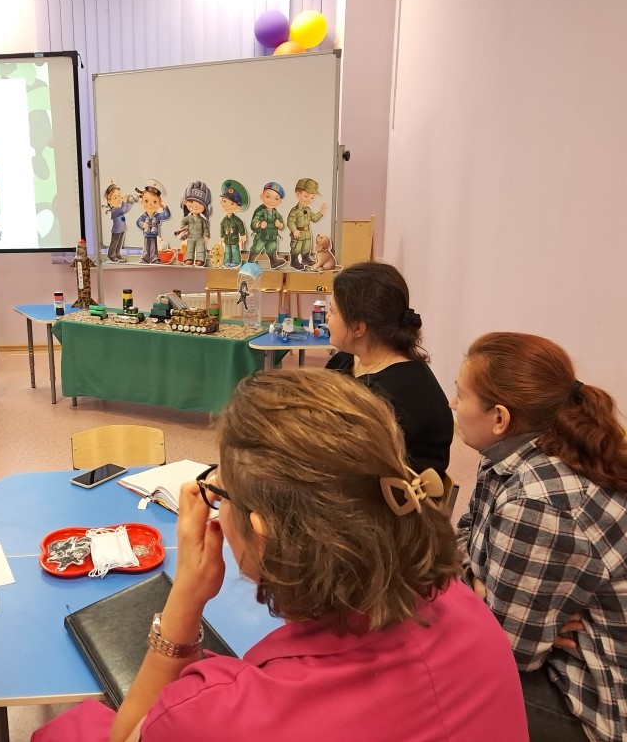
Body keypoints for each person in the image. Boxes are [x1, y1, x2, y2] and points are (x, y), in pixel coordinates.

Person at [33, 368, 528, 742]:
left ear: (262, 532)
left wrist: (184, 598)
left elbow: (138, 731)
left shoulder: (218, 713)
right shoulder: (468, 610)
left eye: (220, 489)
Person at [451, 332, 627, 742]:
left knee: (445, 678)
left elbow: (511, 652)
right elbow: (465, 535)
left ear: (500, 418)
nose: (453, 404)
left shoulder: (538, 502)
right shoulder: (513, 457)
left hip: (608, 708)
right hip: (576, 658)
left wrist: (484, 597)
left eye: (460, 394)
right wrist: (483, 589)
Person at [324, 261, 452, 474]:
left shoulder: (397, 393)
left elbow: (344, 459)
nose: (327, 317)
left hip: (389, 489)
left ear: (358, 328)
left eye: (332, 311)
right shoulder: (345, 360)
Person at [286, 177, 327, 270]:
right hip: (298, 234)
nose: (309, 200)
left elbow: (314, 218)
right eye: (306, 196)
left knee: (306, 247)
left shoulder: (308, 209)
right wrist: (294, 230)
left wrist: (321, 213)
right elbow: (290, 222)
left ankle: (306, 259)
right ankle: (294, 261)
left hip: (307, 233)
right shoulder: (295, 211)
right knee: (296, 248)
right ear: (298, 194)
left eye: (312, 197)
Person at [247, 181, 286, 269]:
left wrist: (280, 225)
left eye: (276, 199)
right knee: (257, 248)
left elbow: (283, 225)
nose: (271, 201)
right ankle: (250, 262)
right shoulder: (261, 211)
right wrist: (259, 224)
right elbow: (254, 221)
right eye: (268, 197)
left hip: (272, 237)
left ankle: (274, 261)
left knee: (272, 248)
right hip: (262, 236)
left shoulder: (276, 213)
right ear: (261, 196)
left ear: (280, 202)